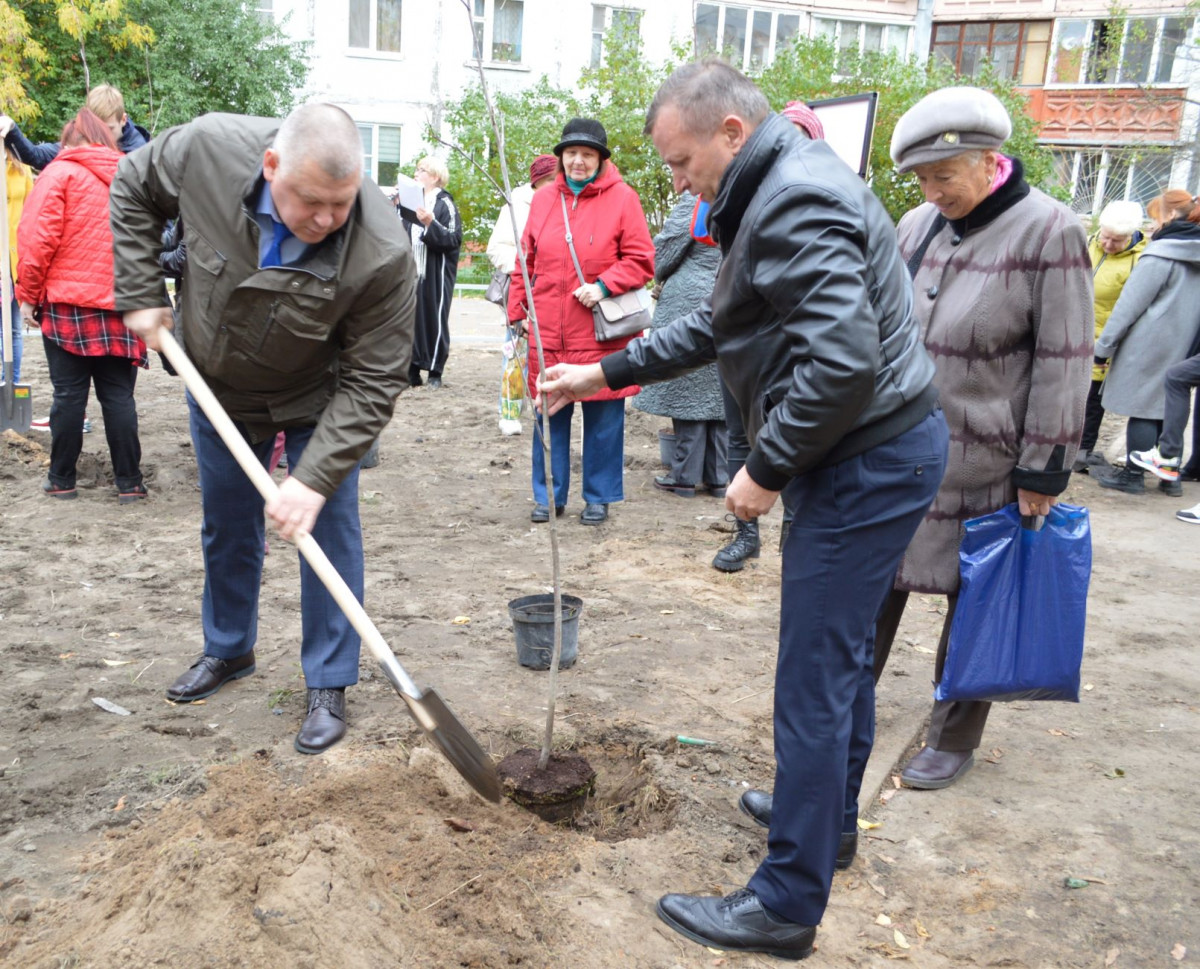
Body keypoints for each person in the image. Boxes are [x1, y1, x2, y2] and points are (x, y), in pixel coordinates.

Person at [539, 61, 947, 960]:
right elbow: (725, 322)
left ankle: (785, 902)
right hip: (878, 450)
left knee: (811, 677)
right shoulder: (772, 187)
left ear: (731, 129)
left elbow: (841, 364)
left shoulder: (794, 197)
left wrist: (763, 468)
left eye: (682, 163)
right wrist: (604, 369)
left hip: (862, 461)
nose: (676, 183)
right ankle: (828, 821)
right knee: (840, 661)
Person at [109, 103, 417, 755]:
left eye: (341, 202)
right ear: (270, 164)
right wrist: (140, 290)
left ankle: (328, 682)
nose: (327, 220)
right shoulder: (208, 151)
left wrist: (311, 481)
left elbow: (374, 380)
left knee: (329, 529)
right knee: (227, 522)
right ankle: (229, 648)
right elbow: (133, 183)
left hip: (318, 396)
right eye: (311, 203)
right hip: (214, 379)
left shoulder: (383, 249)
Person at [872, 87, 1093, 790]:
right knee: (870, 586)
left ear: (990, 161)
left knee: (980, 599)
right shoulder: (916, 225)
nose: (933, 191)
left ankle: (955, 732)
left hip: (989, 462)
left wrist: (1045, 470)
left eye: (946, 175)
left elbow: (1066, 359)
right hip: (900, 454)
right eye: (922, 179)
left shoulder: (1049, 231)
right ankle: (843, 708)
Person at [507, 117, 654, 526]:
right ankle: (547, 496)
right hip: (548, 332)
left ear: (601, 160)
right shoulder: (542, 200)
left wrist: (605, 285)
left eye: (587, 155)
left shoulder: (624, 198)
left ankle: (599, 497)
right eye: (571, 153)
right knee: (547, 413)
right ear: (560, 158)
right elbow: (526, 261)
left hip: (600, 332)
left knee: (604, 418)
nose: (578, 161)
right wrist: (517, 310)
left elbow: (642, 260)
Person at [708, 98, 826, 571]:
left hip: (794, 351)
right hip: (739, 345)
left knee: (801, 442)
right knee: (740, 435)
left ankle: (798, 536)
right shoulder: (744, 200)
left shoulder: (817, 202)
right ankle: (745, 535)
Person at [16, 109, 148, 502]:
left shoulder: (58, 173)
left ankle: (61, 480)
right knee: (119, 398)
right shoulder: (132, 175)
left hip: (67, 304)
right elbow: (149, 240)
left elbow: (37, 241)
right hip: (122, 303)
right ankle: (130, 484)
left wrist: (28, 295)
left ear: (69, 140)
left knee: (69, 396)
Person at [1094, 191, 1200, 498]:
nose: (1152, 225)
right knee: (1169, 407)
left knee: (1140, 406)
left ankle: (1133, 474)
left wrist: (1104, 347)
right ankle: (1171, 477)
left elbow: (1129, 306)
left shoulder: (1161, 254)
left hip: (1148, 341)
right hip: (1185, 340)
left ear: (1168, 217)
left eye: (1154, 218)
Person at [636, 191, 726, 500]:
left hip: (690, 296)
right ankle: (719, 477)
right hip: (730, 293)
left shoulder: (697, 199)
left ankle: (684, 476)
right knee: (719, 392)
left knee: (687, 388)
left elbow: (663, 258)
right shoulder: (750, 195)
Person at [1074, 200, 1146, 475]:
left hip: (1105, 338)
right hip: (1073, 333)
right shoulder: (1087, 243)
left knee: (1092, 398)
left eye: (1116, 240)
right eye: (1105, 236)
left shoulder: (1139, 260)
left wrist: (1110, 346)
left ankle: (1082, 450)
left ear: (1131, 237)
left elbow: (1132, 308)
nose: (1107, 244)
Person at [398, 156, 461, 389]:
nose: (416, 173)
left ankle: (435, 370)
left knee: (434, 317)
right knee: (410, 319)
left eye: (421, 170)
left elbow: (453, 239)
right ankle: (412, 370)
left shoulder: (444, 204)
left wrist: (429, 224)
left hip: (435, 271)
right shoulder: (409, 202)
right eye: (416, 169)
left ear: (435, 177)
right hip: (411, 271)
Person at [1, 83, 149, 171]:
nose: (102, 137)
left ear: (123, 119)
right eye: (97, 129)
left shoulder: (140, 155)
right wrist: (11, 129)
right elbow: (35, 155)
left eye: (109, 129)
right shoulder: (81, 142)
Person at [486, 152, 557, 281]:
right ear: (537, 181)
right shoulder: (517, 205)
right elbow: (496, 249)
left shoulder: (560, 205)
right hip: (525, 283)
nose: (557, 184)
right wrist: (528, 269)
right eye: (551, 179)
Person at [4, 145, 33, 382]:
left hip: (16, 260)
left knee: (14, 328)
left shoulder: (21, 170)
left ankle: (10, 383)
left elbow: (33, 213)